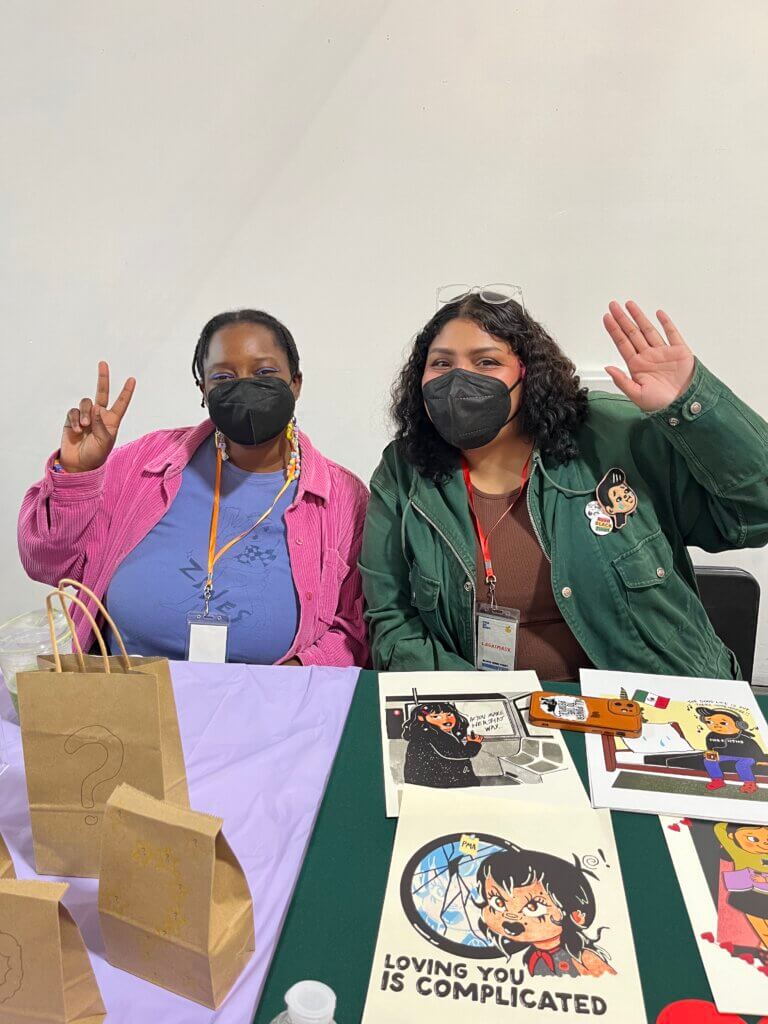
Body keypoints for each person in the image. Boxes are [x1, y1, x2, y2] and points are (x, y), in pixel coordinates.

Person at [361, 288, 768, 679]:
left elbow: (755, 512)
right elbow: (392, 624)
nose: (459, 381)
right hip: (496, 714)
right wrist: (484, 696)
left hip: (651, 707)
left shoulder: (614, 436)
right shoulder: (403, 470)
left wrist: (692, 409)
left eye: (486, 362)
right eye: (442, 364)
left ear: (527, 373)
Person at [18, 309, 369, 667]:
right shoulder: (145, 465)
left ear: (295, 383)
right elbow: (47, 563)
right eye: (223, 377)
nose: (245, 386)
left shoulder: (343, 498)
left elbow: (355, 630)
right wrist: (77, 475)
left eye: (264, 372)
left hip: (267, 711)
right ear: (204, 391)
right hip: (126, 706)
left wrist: (288, 680)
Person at [475, 846, 615, 977]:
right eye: (498, 902)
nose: (511, 917)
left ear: (576, 915)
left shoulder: (584, 958)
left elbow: (607, 984)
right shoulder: (533, 955)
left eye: (533, 907)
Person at [401, 700, 483, 787]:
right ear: (421, 718)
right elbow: (456, 755)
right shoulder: (428, 735)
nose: (446, 719)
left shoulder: (441, 733)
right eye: (436, 716)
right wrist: (473, 745)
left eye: (449, 714)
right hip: (437, 786)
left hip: (446, 784)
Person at [696, 708, 768, 795]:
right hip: (725, 755)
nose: (716, 725)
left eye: (723, 723)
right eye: (709, 722)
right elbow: (711, 748)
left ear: (739, 725)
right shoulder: (711, 736)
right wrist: (710, 754)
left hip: (746, 757)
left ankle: (749, 783)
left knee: (741, 765)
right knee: (708, 761)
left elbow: (756, 750)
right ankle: (717, 780)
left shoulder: (745, 738)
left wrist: (761, 760)